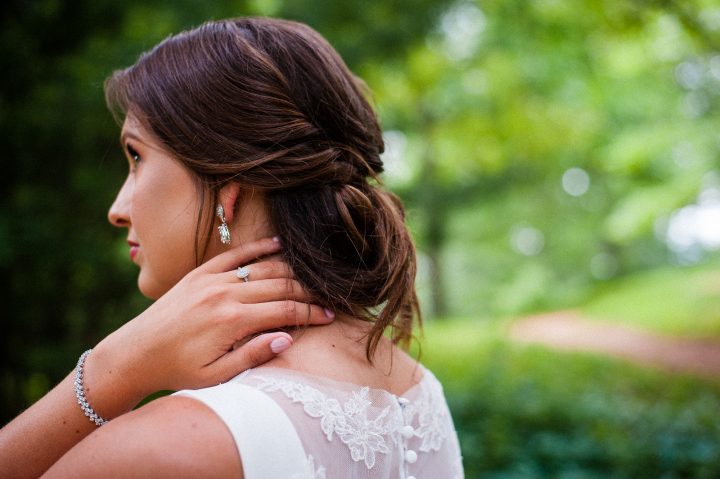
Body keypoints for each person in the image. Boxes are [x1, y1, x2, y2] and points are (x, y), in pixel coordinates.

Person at [0, 17, 464, 478]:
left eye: (137, 157)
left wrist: (107, 372)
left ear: (227, 188)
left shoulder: (156, 451)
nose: (117, 209)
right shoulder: (420, 395)